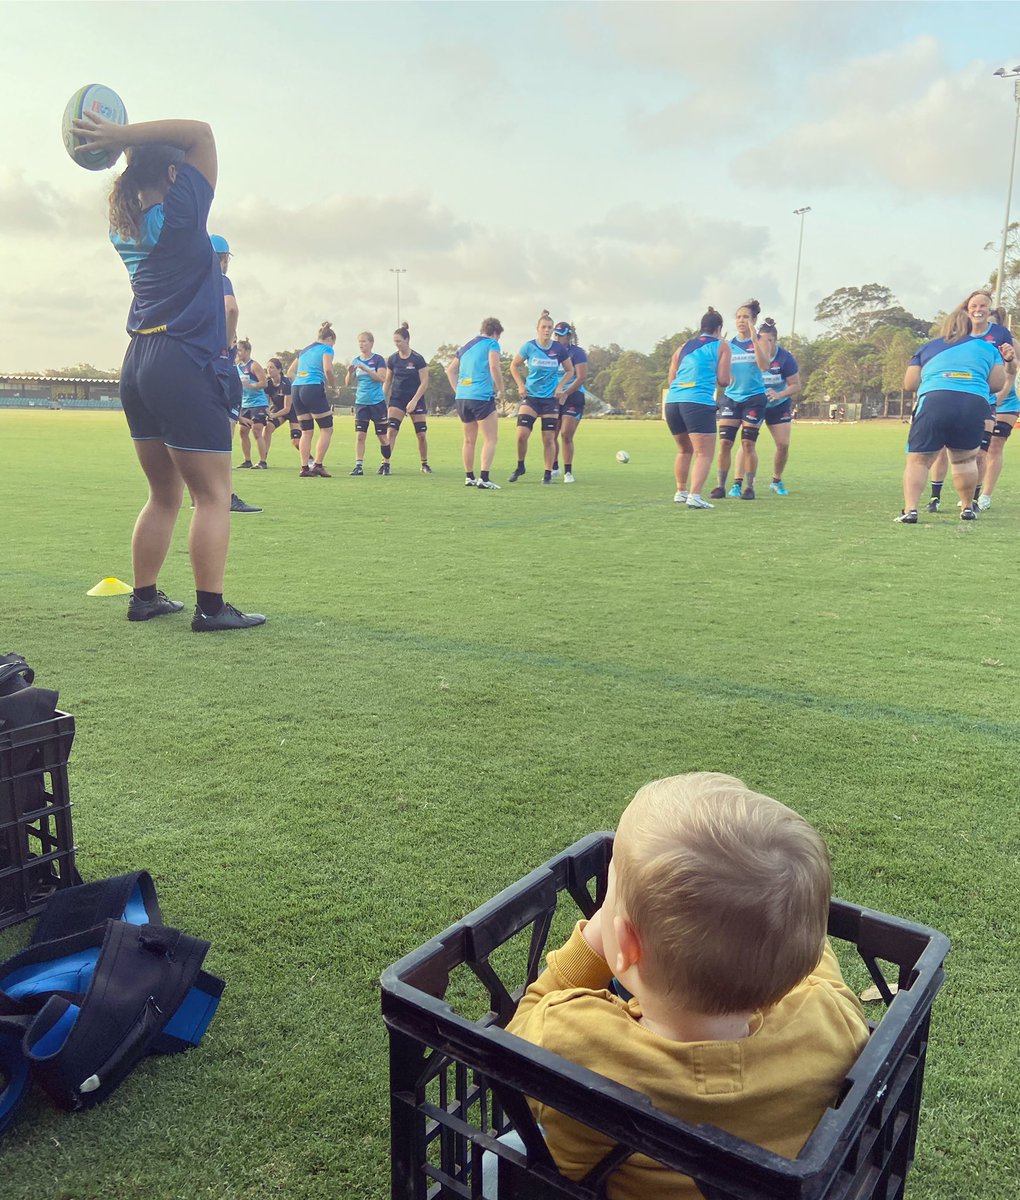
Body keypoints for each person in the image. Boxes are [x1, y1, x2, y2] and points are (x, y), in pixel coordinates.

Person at [504, 773, 870, 1200]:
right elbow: (816, 962)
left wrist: (590, 948)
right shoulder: (830, 1023)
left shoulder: (571, 1039)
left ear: (622, 945)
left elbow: (517, 1037)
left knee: (506, 1158)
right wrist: (774, 928)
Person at [74, 110, 265, 631]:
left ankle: (145, 598)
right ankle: (211, 608)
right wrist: (121, 137)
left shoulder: (126, 227)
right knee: (213, 495)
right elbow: (203, 131)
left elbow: (188, 143)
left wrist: (127, 151)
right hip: (181, 359)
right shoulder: (180, 219)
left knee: (164, 493)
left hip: (139, 360)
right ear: (175, 175)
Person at [897, 307, 1006, 523]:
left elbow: (909, 383)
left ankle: (911, 510)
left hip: (935, 401)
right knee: (965, 460)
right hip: (973, 403)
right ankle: (967, 508)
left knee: (918, 461)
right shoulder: (988, 349)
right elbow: (997, 384)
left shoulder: (927, 347)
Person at [925, 293, 1016, 511]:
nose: (978, 309)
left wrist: (998, 397)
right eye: (974, 305)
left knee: (984, 451)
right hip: (959, 398)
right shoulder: (955, 337)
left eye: (983, 305)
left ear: (989, 309)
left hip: (991, 398)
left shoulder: (1001, 335)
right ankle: (935, 497)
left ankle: (976, 499)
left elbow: (1011, 368)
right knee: (945, 448)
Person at [210, 233, 260, 513]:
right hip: (220, 367)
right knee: (222, 438)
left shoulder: (186, 282)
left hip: (194, 367)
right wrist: (227, 342)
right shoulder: (220, 279)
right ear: (224, 259)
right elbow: (231, 308)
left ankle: (201, 495)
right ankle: (225, 496)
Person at [664, 308, 731, 509]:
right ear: (719, 328)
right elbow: (724, 380)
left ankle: (681, 491)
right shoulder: (722, 346)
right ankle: (694, 495)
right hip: (698, 402)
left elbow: (671, 378)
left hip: (673, 401)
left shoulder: (682, 347)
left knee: (684, 449)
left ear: (701, 327)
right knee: (704, 453)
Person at [711, 301, 772, 500]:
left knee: (747, 444)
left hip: (754, 399)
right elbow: (719, 375)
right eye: (738, 317)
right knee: (725, 444)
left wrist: (754, 341)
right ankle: (720, 486)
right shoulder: (728, 344)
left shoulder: (760, 341)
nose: (741, 321)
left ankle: (749, 486)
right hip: (731, 398)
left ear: (754, 320)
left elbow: (764, 366)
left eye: (746, 317)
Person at [509, 310, 573, 484]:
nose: (547, 330)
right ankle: (520, 465)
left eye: (549, 327)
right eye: (544, 327)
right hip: (531, 397)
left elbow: (570, 370)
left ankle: (547, 473)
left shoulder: (558, 349)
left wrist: (560, 387)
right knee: (521, 434)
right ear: (537, 328)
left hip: (550, 400)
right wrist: (520, 385)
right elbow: (513, 366)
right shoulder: (529, 347)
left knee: (548, 437)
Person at [446, 317, 504, 489]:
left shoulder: (465, 347)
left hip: (463, 397)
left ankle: (469, 477)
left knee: (469, 440)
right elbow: (494, 367)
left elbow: (450, 370)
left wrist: (459, 390)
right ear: (495, 332)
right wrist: (501, 388)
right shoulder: (492, 344)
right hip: (481, 396)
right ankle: (484, 478)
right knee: (491, 438)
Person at [746, 320, 800, 495]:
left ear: (775, 341)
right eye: (762, 339)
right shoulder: (751, 354)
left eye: (769, 340)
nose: (765, 344)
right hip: (756, 403)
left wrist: (779, 394)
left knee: (783, 444)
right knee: (746, 443)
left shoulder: (785, 358)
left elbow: (796, 385)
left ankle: (776, 480)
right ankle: (741, 483)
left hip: (778, 405)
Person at [288, 322, 337, 477]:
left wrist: (302, 380)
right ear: (329, 338)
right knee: (326, 428)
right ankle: (318, 465)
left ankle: (304, 467)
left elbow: (290, 372)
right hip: (313, 386)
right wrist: (333, 386)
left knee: (306, 431)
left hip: (296, 388)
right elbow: (328, 369)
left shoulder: (304, 351)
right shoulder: (326, 349)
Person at [384, 323, 431, 473]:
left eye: (399, 341)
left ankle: (424, 463)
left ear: (407, 340)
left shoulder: (417, 359)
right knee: (391, 431)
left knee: (421, 434)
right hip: (397, 399)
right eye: (395, 342)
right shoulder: (392, 359)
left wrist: (415, 400)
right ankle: (385, 463)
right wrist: (382, 400)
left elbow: (424, 382)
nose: (396, 344)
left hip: (415, 399)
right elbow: (387, 381)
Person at [345, 332, 391, 476]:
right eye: (359, 342)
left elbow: (382, 378)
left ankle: (386, 463)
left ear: (371, 343)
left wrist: (366, 369)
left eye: (364, 341)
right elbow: (348, 383)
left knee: (382, 436)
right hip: (361, 403)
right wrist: (349, 372)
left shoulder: (378, 360)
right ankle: (358, 466)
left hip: (377, 402)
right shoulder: (355, 360)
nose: (361, 344)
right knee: (360, 436)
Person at [552, 321, 587, 483]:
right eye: (556, 334)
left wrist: (566, 393)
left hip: (573, 395)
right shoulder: (551, 352)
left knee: (566, 433)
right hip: (554, 396)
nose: (558, 338)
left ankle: (568, 472)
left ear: (569, 336)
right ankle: (554, 466)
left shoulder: (577, 353)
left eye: (561, 335)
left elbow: (581, 377)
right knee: (551, 434)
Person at [234, 338, 270, 468]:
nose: (238, 353)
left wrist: (251, 385)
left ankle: (262, 461)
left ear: (247, 351)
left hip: (258, 403)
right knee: (243, 431)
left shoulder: (254, 365)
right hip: (244, 404)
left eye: (240, 350)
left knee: (256, 431)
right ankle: (247, 460)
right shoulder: (237, 367)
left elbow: (264, 383)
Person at [264, 357, 299, 462]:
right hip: (278, 409)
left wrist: (273, 415)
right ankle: (263, 459)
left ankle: (310, 460)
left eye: (272, 367)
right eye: (267, 367)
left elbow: (287, 408)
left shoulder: (286, 384)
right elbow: (265, 402)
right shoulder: (268, 383)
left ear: (279, 370)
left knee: (296, 441)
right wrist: (267, 412)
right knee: (267, 428)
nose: (269, 370)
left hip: (293, 411)